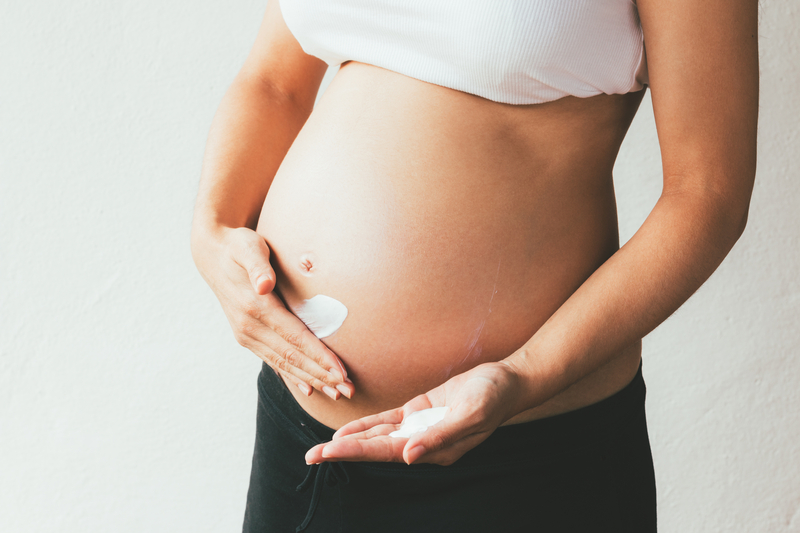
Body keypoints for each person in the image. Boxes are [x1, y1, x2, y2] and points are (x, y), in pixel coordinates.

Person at [190, 0, 758, 531]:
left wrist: (523, 375)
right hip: (303, 436)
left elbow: (706, 193)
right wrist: (211, 233)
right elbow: (273, 83)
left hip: (524, 454)